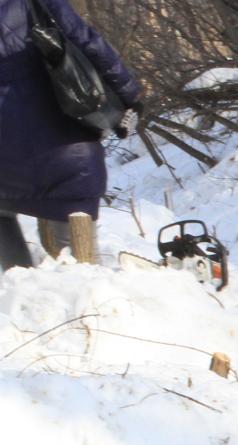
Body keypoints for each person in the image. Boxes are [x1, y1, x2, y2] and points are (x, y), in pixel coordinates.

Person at [0, 0, 142, 270]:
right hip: (61, 141)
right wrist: (128, 96)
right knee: (79, 261)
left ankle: (23, 293)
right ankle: (85, 297)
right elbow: (87, 42)